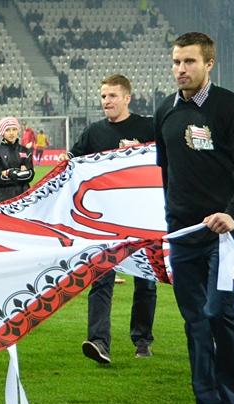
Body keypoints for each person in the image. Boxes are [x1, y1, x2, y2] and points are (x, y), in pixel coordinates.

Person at [154, 32, 234, 404]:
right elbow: (167, 175)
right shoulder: (165, 111)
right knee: (196, 324)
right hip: (183, 236)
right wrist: (169, 223)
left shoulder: (231, 108)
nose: (181, 69)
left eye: (189, 62)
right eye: (176, 62)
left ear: (209, 64)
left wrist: (232, 214)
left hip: (227, 235)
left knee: (221, 312)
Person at [61, 74, 158, 363]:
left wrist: (139, 152)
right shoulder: (94, 132)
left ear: (127, 98)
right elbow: (72, 162)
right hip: (106, 220)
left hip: (142, 217)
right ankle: (99, 342)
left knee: (146, 280)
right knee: (101, 277)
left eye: (112, 96)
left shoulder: (147, 127)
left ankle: (142, 340)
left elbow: (166, 159)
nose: (107, 101)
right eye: (104, 96)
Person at [0, 116, 34, 203]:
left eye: (14, 129)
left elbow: (30, 175)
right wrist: (19, 173)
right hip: (2, 199)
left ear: (18, 131)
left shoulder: (25, 151)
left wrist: (8, 173)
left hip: (23, 198)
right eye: (8, 130)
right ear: (2, 132)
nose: (11, 133)